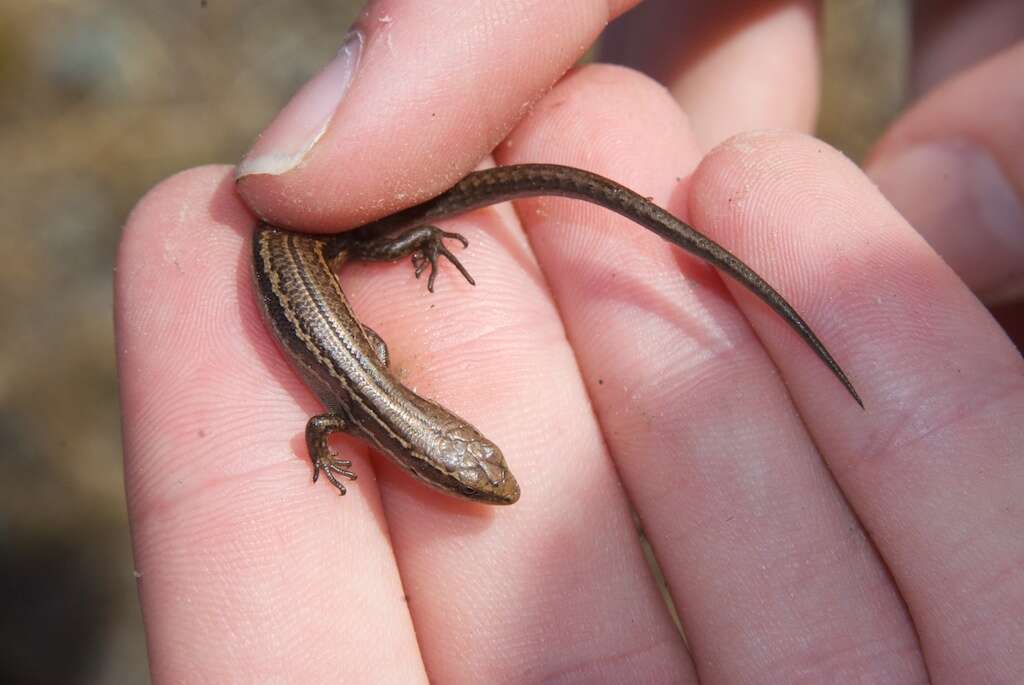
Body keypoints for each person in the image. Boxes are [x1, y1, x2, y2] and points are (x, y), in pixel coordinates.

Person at [115, 2, 1023, 681]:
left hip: (313, 253)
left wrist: (399, 251)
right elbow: (331, 417)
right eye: (472, 473)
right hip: (300, 247)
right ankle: (417, 229)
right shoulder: (355, 408)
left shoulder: (355, 409)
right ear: (420, 452)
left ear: (435, 445)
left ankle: (419, 229)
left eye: (471, 465)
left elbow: (337, 413)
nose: (485, 481)